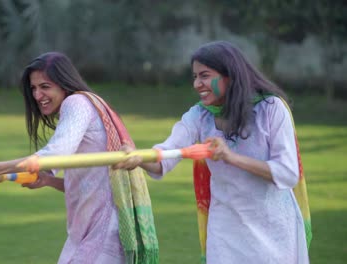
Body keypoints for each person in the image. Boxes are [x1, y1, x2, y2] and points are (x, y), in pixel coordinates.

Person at [114, 41, 311, 263]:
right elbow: (166, 155)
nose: (197, 84)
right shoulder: (199, 115)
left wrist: (231, 157)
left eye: (204, 76)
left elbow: (287, 173)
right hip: (224, 230)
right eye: (195, 77)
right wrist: (139, 157)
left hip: (274, 228)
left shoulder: (272, 109)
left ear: (230, 75)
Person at [0, 52, 159, 264]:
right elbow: (90, 182)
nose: (38, 95)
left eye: (45, 87)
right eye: (33, 88)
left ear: (64, 85)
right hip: (92, 231)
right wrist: (48, 180)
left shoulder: (76, 103)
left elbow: (55, 155)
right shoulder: (89, 106)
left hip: (104, 230)